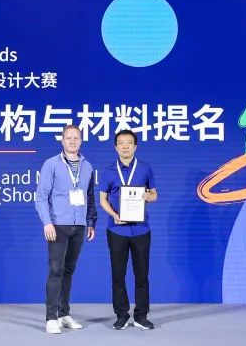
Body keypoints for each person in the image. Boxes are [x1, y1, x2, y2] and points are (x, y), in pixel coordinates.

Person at [34, 124, 97, 334]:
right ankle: (51, 318)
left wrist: (91, 222)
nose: (72, 141)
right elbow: (41, 197)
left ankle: (64, 314)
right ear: (62, 141)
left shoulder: (87, 166)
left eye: (76, 138)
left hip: (79, 225)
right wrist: (47, 222)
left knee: (69, 271)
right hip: (57, 225)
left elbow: (89, 197)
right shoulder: (51, 164)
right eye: (68, 138)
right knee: (56, 271)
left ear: (81, 141)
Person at [98, 129, 157, 330]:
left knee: (142, 275)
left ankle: (141, 316)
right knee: (118, 275)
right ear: (116, 147)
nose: (125, 146)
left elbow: (154, 194)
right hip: (117, 230)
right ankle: (121, 315)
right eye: (121, 143)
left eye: (129, 143)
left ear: (135, 146)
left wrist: (149, 197)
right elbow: (102, 199)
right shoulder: (108, 171)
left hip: (141, 230)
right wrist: (114, 215)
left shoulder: (145, 169)